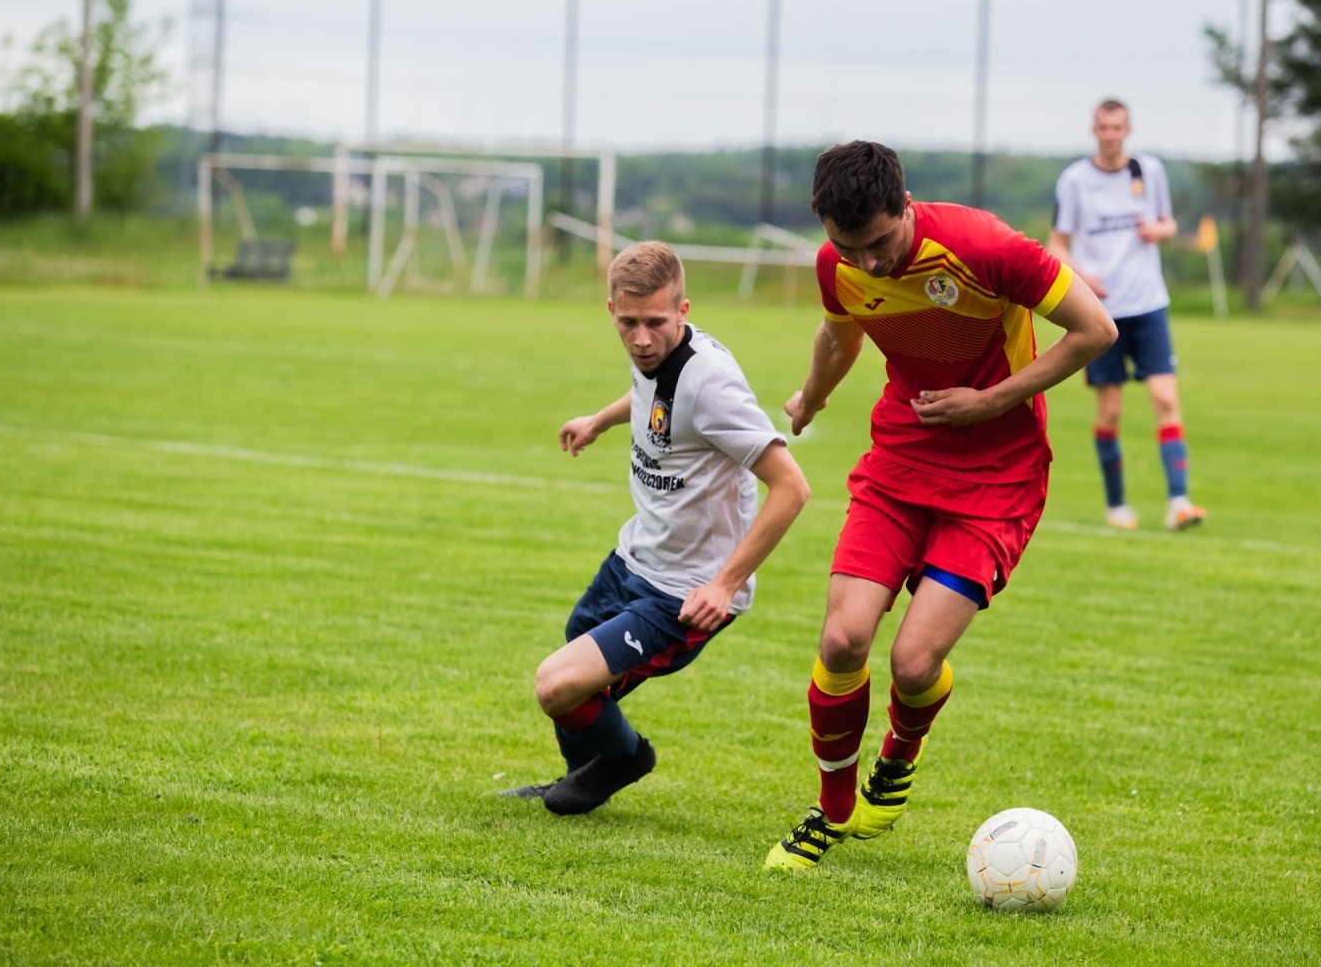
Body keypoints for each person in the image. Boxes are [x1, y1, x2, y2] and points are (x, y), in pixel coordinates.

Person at [763, 141, 1116, 870]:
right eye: (847, 248)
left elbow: (1096, 331)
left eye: (881, 244)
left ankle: (897, 759)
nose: (868, 264)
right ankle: (831, 812)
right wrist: (812, 397)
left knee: (914, 662)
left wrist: (989, 400)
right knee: (842, 641)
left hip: (997, 479)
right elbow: (839, 332)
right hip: (899, 463)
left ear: (906, 205)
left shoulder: (986, 247)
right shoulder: (841, 265)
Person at [503, 241, 810, 813]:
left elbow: (792, 487)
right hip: (636, 556)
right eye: (629, 323)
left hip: (685, 590)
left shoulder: (711, 383)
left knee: (556, 684)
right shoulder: (650, 352)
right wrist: (599, 419)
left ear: (684, 311)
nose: (642, 338)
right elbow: (651, 396)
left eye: (656, 323)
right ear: (612, 311)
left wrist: (723, 585)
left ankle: (625, 759)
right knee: (578, 651)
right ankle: (586, 774)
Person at [1047, 99, 1206, 531]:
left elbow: (1169, 224)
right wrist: (1084, 277)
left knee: (1165, 399)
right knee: (1110, 412)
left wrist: (1161, 230)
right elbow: (1056, 243)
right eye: (1103, 127)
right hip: (1103, 314)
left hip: (1149, 302)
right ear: (1093, 130)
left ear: (1128, 129)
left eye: (1117, 127)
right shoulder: (1076, 180)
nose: (1110, 134)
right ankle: (1117, 508)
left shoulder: (1148, 171)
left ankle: (1179, 503)